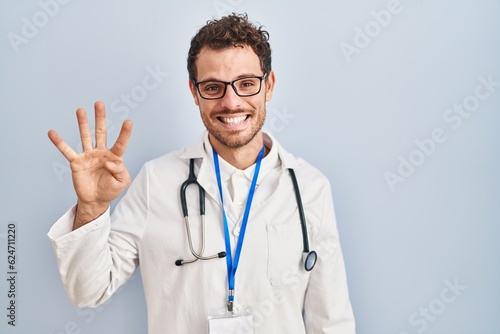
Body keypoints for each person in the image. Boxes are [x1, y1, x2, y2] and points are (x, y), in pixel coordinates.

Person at [47, 13, 356, 334]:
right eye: (213, 87)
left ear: (269, 86)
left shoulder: (309, 187)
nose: (231, 101)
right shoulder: (156, 181)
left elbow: (331, 320)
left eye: (247, 84)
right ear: (194, 92)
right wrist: (92, 209)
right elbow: (88, 291)